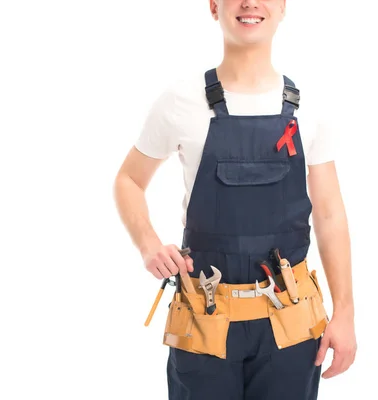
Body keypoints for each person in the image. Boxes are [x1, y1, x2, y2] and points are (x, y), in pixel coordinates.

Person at [113, 0, 357, 398]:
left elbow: (330, 215)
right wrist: (148, 244)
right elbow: (128, 180)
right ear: (214, 7)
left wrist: (344, 313)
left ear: (282, 8)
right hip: (205, 320)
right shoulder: (181, 101)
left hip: (292, 321)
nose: (250, 3)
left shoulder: (308, 106)